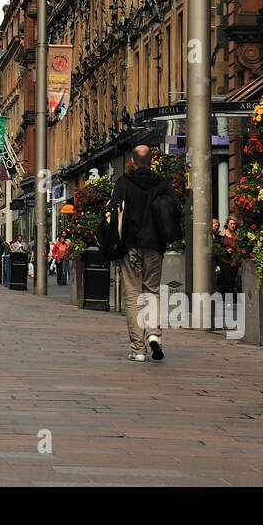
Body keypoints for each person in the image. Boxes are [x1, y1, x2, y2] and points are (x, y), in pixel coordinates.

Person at [104, 144, 180, 363]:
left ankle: (138, 349)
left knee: (133, 295)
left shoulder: (123, 184)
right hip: (155, 246)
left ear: (132, 162)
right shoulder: (162, 184)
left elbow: (112, 212)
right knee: (152, 292)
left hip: (130, 247)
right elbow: (174, 211)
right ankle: (154, 334)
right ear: (151, 161)